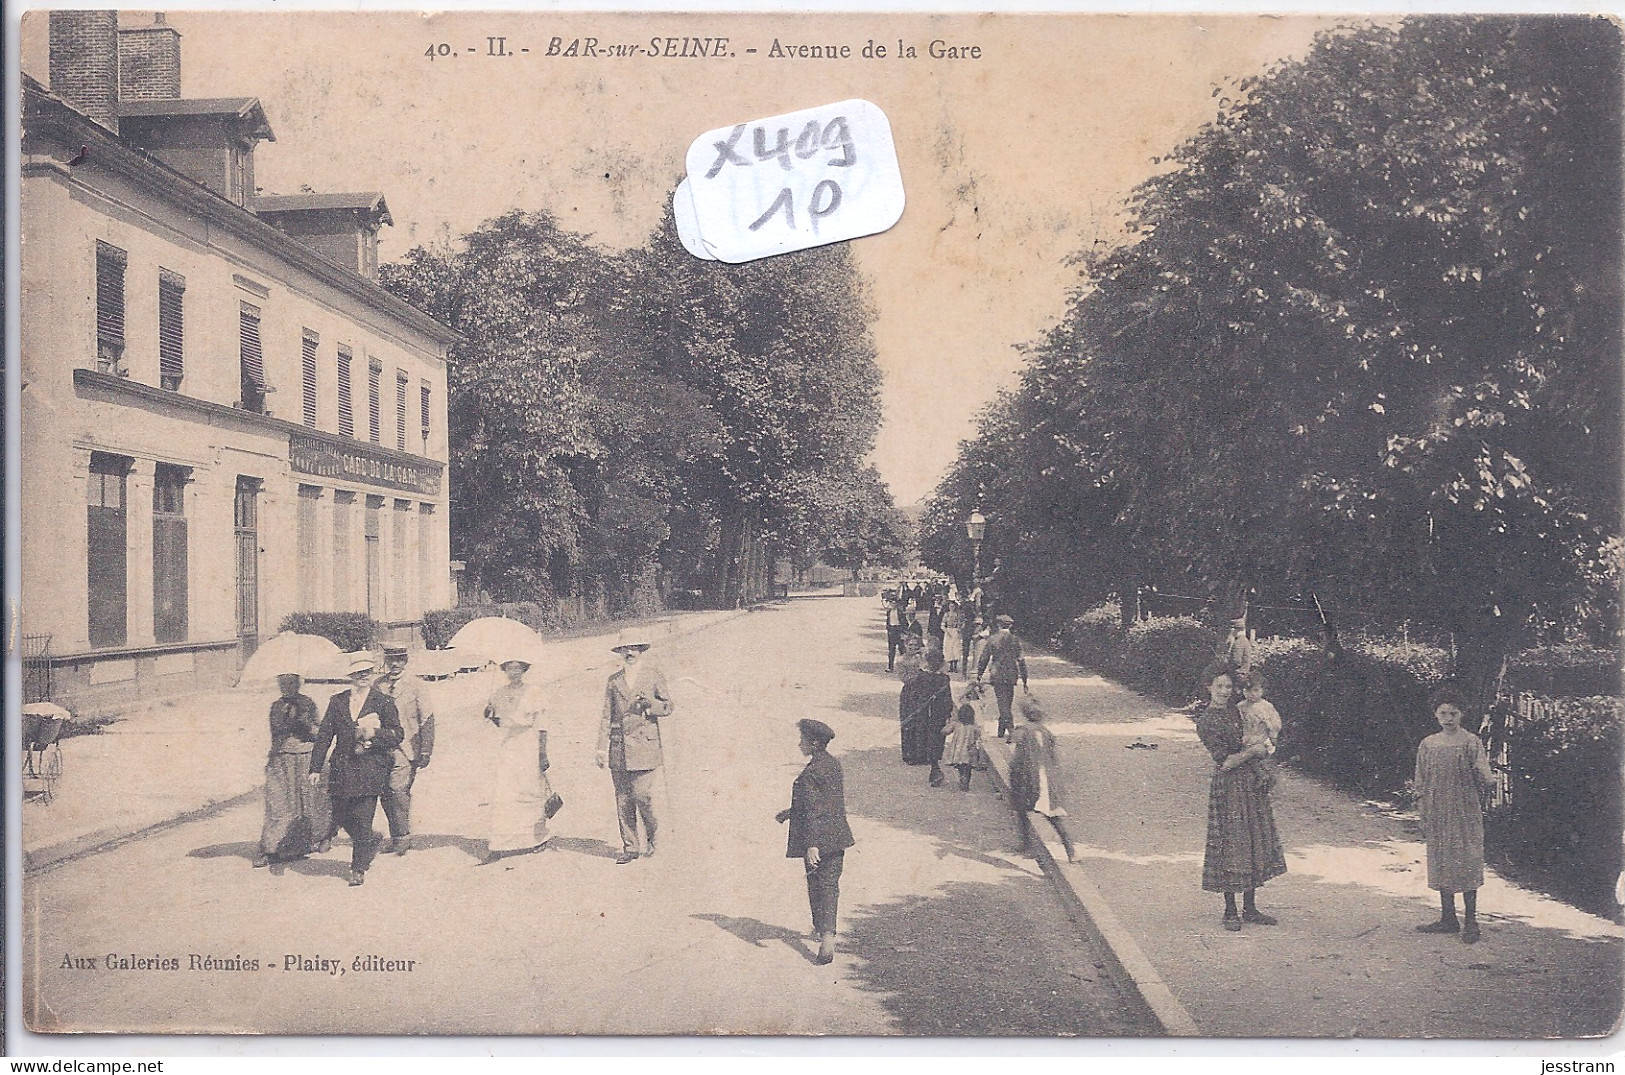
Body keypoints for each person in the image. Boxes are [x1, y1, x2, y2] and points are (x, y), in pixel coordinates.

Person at [1195, 666, 1286, 930]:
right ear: (1208, 687)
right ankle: (1230, 910)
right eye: (1219, 686)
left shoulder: (1238, 710)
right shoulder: (1207, 721)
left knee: (1253, 841)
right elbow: (1224, 762)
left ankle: (1250, 907)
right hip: (1229, 786)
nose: (1224, 692)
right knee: (1232, 845)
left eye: (1228, 687)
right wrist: (1254, 751)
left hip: (1250, 782)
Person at [309, 654, 402, 887]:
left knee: (362, 817)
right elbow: (324, 736)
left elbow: (397, 735)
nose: (363, 676)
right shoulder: (338, 701)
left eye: (367, 672)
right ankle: (370, 839)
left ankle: (357, 868)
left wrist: (375, 734)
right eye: (359, 672)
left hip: (371, 768)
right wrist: (315, 768)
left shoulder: (383, 702)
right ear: (351, 675)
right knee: (340, 814)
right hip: (342, 767)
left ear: (372, 674)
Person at [1413, 691, 1494, 944]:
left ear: (1462, 714)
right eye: (1443, 713)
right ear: (1435, 714)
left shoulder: (1470, 742)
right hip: (1437, 809)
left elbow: (1484, 773)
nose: (1448, 718)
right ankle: (1448, 917)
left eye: (1453, 713)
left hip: (1464, 809)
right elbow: (1421, 779)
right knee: (1441, 858)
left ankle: (1471, 921)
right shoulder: (1428, 744)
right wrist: (1422, 807)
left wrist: (1487, 780)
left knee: (1467, 859)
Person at [776, 718, 855, 966]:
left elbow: (812, 809)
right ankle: (827, 934)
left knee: (816, 885)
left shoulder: (810, 773)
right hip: (837, 836)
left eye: (802, 740)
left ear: (813, 743)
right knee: (830, 885)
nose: (799, 743)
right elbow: (825, 801)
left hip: (816, 839)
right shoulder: (832, 765)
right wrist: (790, 812)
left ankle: (824, 933)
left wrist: (811, 844)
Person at [596, 631, 674, 864]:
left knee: (642, 796)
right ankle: (630, 847)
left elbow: (669, 705)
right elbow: (605, 716)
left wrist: (651, 706)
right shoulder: (614, 680)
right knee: (623, 799)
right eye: (624, 649)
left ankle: (652, 834)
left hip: (645, 746)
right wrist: (601, 749)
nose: (629, 652)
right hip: (619, 748)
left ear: (641, 651)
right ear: (619, 652)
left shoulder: (652, 676)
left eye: (634, 648)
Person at [255, 672, 331, 869]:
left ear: (299, 683)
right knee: (278, 803)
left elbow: (319, 732)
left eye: (291, 682)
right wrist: (289, 721)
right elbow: (276, 732)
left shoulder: (308, 703)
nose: (286, 686)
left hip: (305, 757)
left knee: (311, 801)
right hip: (281, 758)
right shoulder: (277, 706)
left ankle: (321, 837)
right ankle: (270, 848)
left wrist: (306, 725)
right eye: (283, 683)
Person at [482, 656, 554, 863]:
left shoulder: (534, 692)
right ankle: (499, 844)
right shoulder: (498, 693)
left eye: (518, 667)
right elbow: (499, 722)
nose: (514, 671)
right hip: (509, 746)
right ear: (504, 669)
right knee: (504, 791)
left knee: (529, 790)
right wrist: (490, 714)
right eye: (509, 668)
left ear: (524, 669)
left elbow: (542, 724)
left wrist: (542, 752)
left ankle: (536, 838)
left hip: (529, 744)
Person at [378, 645, 436, 856]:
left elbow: (427, 719)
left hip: (407, 749)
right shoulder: (379, 685)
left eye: (399, 659)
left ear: (406, 660)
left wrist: (426, 751)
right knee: (385, 792)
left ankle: (403, 836)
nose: (395, 664)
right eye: (391, 659)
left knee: (398, 790)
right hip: (383, 749)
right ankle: (396, 836)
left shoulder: (416, 686)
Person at [1008, 696, 1075, 859]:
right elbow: (1053, 757)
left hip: (1030, 778)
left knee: (1022, 809)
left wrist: (1013, 774)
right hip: (1047, 777)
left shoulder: (1022, 732)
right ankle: (1070, 850)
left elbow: (1016, 758)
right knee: (1053, 816)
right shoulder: (1047, 732)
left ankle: (1024, 841)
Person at [898, 649, 953, 786]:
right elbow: (948, 700)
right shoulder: (944, 679)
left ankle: (932, 766)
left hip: (923, 714)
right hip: (938, 715)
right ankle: (934, 766)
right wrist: (948, 712)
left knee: (924, 736)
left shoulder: (920, 677)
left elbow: (913, 696)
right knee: (937, 739)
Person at [976, 613, 1029, 742]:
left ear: (999, 625)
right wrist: (1025, 680)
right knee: (1007, 702)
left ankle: (1010, 731)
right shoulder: (1016, 640)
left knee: (1002, 703)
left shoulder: (993, 639)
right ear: (1010, 626)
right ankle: (1002, 728)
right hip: (1011, 674)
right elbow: (1021, 661)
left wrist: (979, 674)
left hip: (997, 674)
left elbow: (984, 658)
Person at [1238, 671, 1282, 793]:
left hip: (1262, 737)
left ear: (1262, 691)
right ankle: (1256, 778)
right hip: (1247, 737)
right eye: (1248, 690)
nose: (1252, 694)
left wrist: (1269, 725)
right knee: (1244, 753)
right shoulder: (1241, 706)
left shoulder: (1267, 706)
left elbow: (1276, 724)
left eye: (1256, 690)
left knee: (1259, 752)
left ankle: (1264, 775)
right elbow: (1237, 723)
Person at [942, 702, 984, 792]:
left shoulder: (956, 724)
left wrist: (948, 722)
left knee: (960, 766)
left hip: (958, 751)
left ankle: (962, 778)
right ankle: (966, 781)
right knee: (968, 767)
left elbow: (945, 731)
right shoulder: (974, 727)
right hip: (969, 750)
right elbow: (979, 735)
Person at [941, 601, 965, 674]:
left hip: (955, 632)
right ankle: (951, 666)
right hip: (948, 632)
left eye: (953, 606)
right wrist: (946, 631)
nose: (951, 608)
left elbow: (962, 623)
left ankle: (955, 666)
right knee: (949, 648)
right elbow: (942, 624)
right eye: (950, 606)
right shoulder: (946, 614)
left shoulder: (958, 614)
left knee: (955, 648)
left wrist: (959, 629)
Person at [885, 596, 907, 673]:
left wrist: (904, 632)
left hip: (899, 630)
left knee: (901, 649)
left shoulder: (900, 611)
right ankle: (890, 667)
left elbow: (904, 622)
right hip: (892, 630)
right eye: (891, 602)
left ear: (897, 604)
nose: (892, 604)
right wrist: (888, 629)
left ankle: (904, 667)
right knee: (891, 650)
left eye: (894, 603)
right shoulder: (889, 611)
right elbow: (888, 621)